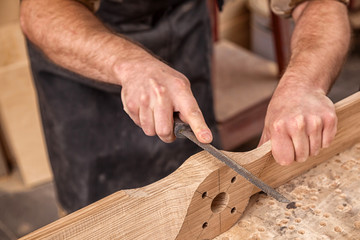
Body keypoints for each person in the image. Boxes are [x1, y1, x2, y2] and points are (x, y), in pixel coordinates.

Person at [19, 0, 350, 214]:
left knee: (198, 182)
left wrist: (304, 82)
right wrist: (129, 66)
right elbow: (40, 10)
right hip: (86, 42)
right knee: (102, 212)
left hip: (184, 19)